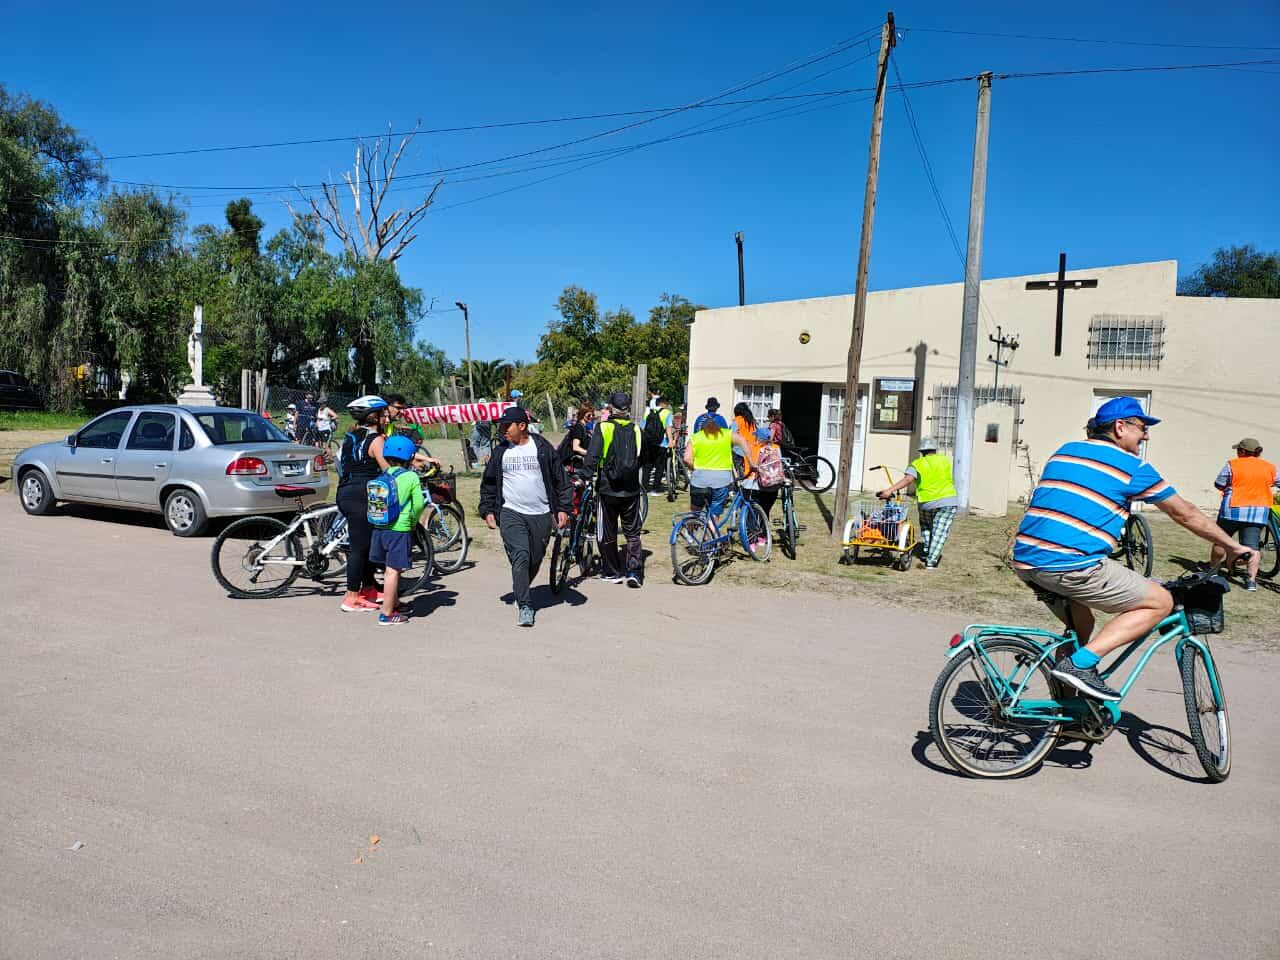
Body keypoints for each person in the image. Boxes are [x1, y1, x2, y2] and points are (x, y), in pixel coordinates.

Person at [1012, 396, 1254, 701]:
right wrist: (1231, 545)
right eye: (1142, 427)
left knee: (1082, 624)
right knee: (1160, 602)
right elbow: (1185, 513)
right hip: (1071, 564)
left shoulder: (1066, 451)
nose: (1146, 434)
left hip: (1027, 560)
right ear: (1120, 427)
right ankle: (1078, 666)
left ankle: (1069, 710)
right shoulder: (1132, 466)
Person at [479, 406, 571, 627]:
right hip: (511, 512)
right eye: (500, 426)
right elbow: (489, 483)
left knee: (535, 559)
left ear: (522, 426)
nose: (502, 430)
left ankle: (521, 587)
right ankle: (526, 605)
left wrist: (563, 508)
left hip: (540, 513)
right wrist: (488, 509)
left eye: (506, 426)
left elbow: (561, 480)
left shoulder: (542, 448)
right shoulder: (501, 451)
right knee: (520, 555)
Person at [584, 391, 645, 587]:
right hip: (631, 490)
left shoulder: (603, 428)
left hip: (607, 489)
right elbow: (642, 458)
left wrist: (583, 476)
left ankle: (612, 571)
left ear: (611, 408)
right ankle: (634, 571)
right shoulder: (636, 430)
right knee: (632, 532)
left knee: (607, 531)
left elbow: (592, 457)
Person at [336, 395, 390, 612]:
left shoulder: (350, 437)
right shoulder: (377, 439)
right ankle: (351, 597)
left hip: (346, 492)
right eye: (382, 414)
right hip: (363, 496)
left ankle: (369, 589)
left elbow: (339, 463)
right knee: (359, 548)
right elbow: (387, 468)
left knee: (366, 544)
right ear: (372, 416)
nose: (386, 418)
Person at [368, 435, 427, 626]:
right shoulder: (410, 477)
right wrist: (413, 520)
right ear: (409, 457)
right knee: (393, 571)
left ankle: (392, 602)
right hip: (399, 529)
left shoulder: (382, 475)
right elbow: (418, 504)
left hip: (379, 528)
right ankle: (386, 614)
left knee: (389, 569)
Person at [1209, 437, 1278, 592]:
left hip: (1232, 510)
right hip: (1258, 512)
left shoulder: (1233, 464)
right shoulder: (1270, 467)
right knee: (1253, 547)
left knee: (1220, 541)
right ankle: (1251, 582)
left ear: (1242, 451)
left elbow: (1219, 483)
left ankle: (1213, 571)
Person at [876, 437, 957, 569]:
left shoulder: (917, 464)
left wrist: (889, 490)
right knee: (939, 531)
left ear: (922, 451)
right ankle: (931, 562)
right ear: (934, 450)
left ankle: (927, 552)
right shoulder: (946, 461)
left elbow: (908, 479)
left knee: (926, 527)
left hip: (926, 502)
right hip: (948, 500)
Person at [682, 412, 744, 522]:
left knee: (695, 511)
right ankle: (711, 535)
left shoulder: (696, 437)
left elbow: (686, 459)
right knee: (714, 513)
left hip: (699, 479)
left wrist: (693, 468)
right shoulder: (725, 436)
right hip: (720, 480)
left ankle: (689, 534)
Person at [732, 403, 778, 537]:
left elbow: (731, 435)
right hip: (754, 450)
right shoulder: (751, 421)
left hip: (743, 452)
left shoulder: (737, 421)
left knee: (742, 477)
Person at [641, 396, 675, 492]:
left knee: (647, 465)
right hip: (661, 443)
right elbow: (668, 429)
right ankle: (656, 487)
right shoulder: (667, 413)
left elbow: (643, 427)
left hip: (648, 443)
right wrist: (671, 441)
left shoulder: (648, 412)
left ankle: (645, 487)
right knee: (660, 465)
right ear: (664, 404)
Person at [558, 402, 594, 469]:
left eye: (593, 415)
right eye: (589, 415)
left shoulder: (585, 428)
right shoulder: (579, 428)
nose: (591, 417)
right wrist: (590, 454)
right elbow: (575, 447)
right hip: (573, 465)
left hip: (579, 463)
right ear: (583, 414)